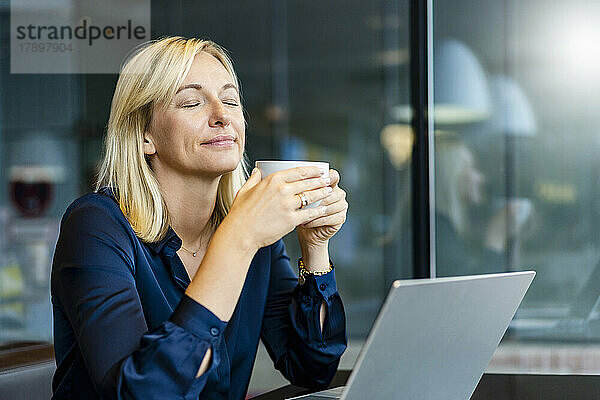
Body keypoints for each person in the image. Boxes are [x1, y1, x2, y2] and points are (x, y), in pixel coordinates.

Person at [50, 36, 348, 400]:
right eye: (192, 102)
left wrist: (315, 246)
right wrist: (237, 242)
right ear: (145, 135)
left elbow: (314, 368)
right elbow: (140, 392)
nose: (222, 115)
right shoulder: (95, 225)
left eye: (231, 100)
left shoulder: (249, 232)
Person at [435, 138, 531, 277]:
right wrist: (496, 236)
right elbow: (471, 295)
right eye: (471, 168)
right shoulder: (439, 232)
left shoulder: (444, 231)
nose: (480, 178)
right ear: (451, 175)